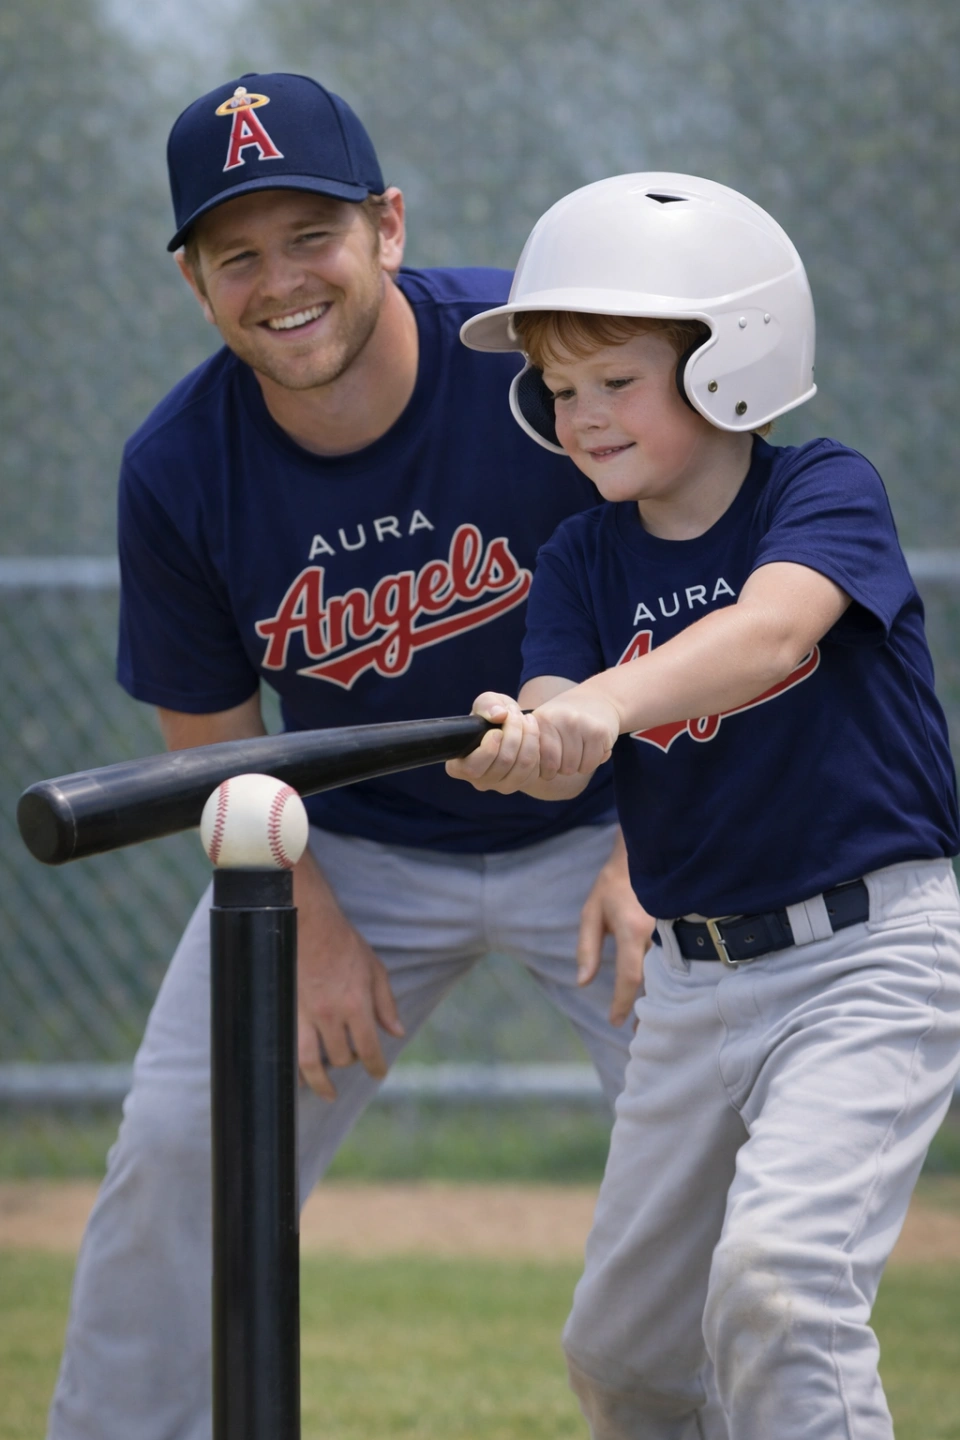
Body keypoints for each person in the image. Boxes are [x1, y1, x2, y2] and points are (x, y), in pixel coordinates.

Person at [47, 77, 653, 1440]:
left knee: (717, 1173)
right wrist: (299, 912)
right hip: (353, 845)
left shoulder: (531, 364)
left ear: (387, 226)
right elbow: (210, 722)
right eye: (236, 253)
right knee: (179, 1161)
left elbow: (699, 579)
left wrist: (657, 842)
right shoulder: (181, 466)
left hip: (620, 821)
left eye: (309, 234)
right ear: (195, 281)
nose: (280, 281)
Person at [448, 172, 960, 1440]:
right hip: (690, 983)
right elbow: (569, 727)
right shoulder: (581, 557)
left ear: (737, 360)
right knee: (622, 1358)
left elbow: (771, 635)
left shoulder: (822, 492)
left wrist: (602, 707)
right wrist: (530, 743)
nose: (583, 415)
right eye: (562, 391)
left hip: (870, 962)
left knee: (781, 1287)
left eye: (617, 380)